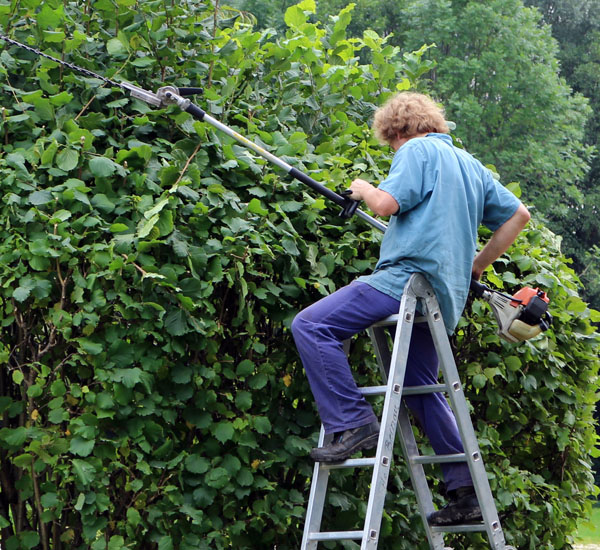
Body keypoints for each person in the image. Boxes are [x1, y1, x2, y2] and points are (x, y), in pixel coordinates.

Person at [291, 92, 530, 526]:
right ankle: (465, 492)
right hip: (444, 294)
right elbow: (519, 215)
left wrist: (364, 189)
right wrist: (475, 266)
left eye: (390, 144)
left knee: (311, 325)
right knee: (421, 386)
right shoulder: (470, 165)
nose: (392, 150)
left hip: (405, 281)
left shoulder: (415, 149)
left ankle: (353, 421)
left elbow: (385, 205)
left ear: (396, 131)